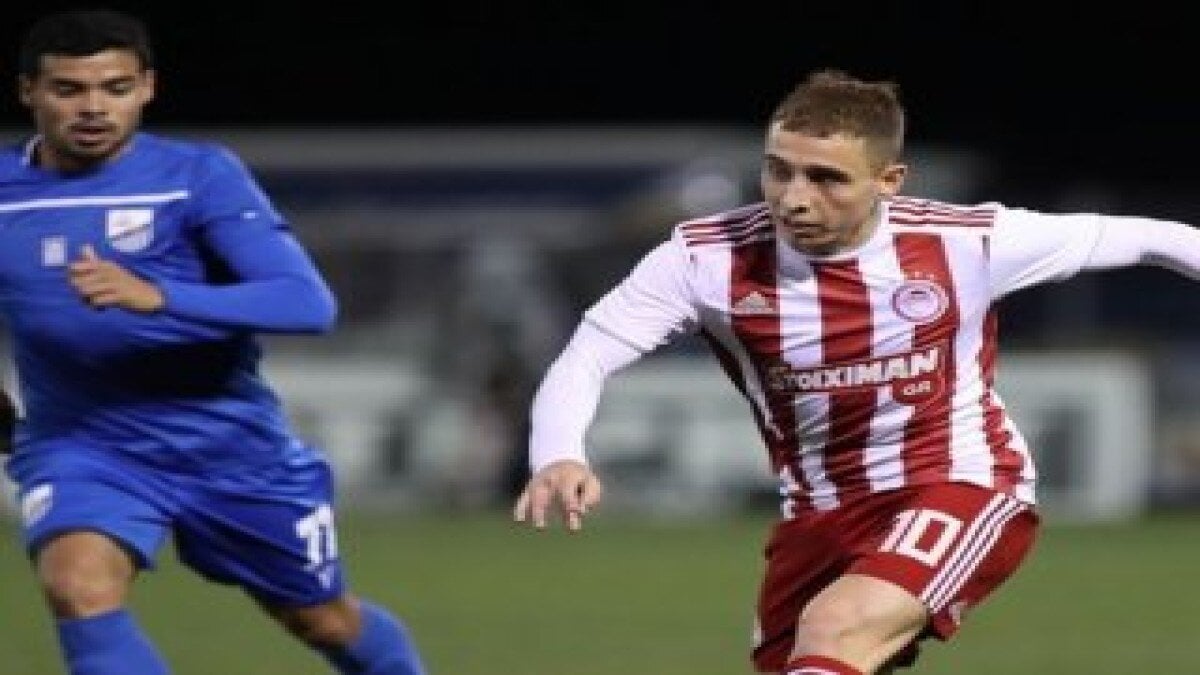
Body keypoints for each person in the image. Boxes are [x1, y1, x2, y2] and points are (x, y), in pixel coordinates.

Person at [512, 67, 1200, 674]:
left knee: (836, 627)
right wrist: (558, 452)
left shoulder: (966, 242)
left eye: (826, 178)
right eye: (778, 169)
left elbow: (1154, 238)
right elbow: (588, 354)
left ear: (888, 181)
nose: (793, 197)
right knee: (820, 650)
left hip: (960, 481)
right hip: (819, 515)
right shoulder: (705, 258)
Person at [0, 10, 426, 674]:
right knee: (77, 586)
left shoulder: (197, 176)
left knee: (323, 620)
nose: (93, 108)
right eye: (68, 89)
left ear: (147, 87)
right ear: (29, 91)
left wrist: (160, 296)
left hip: (229, 450)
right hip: (84, 445)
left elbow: (306, 303)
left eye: (115, 88)